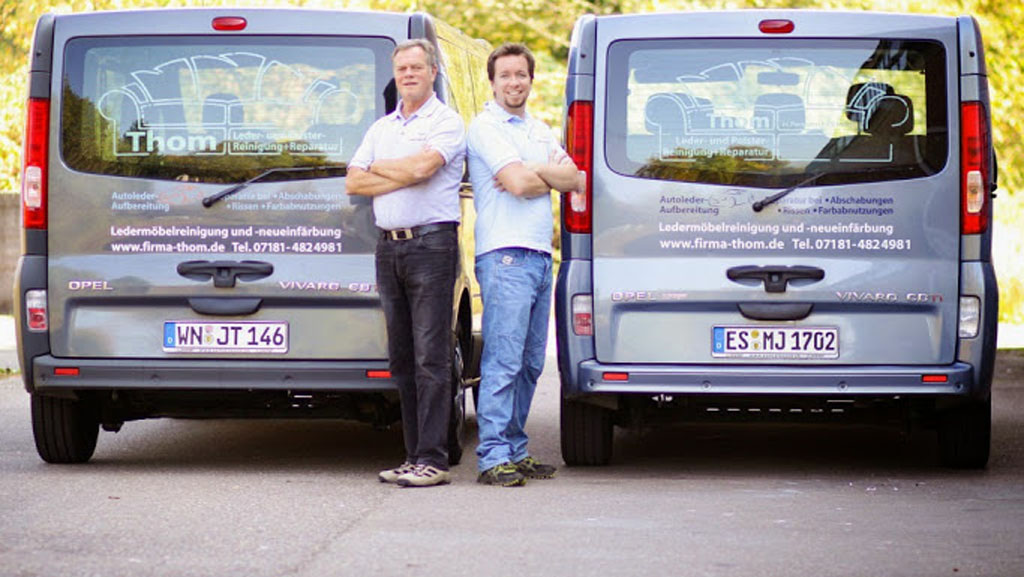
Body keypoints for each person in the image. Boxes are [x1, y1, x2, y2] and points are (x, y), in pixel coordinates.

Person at [346, 39, 466, 488]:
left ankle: (433, 459)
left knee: (431, 357)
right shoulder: (382, 128)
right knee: (401, 358)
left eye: (417, 67)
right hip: (389, 248)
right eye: (402, 69)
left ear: (432, 72)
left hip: (432, 247)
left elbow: (423, 171)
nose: (409, 75)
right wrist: (402, 169)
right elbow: (353, 182)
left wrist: (386, 171)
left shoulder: (448, 122)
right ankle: (413, 455)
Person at [467, 43, 579, 486]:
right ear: (492, 82)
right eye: (505, 75)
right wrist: (539, 176)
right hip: (505, 255)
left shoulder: (539, 128)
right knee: (504, 360)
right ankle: (493, 457)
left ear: (531, 79)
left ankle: (515, 448)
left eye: (521, 74)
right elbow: (515, 184)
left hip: (537, 256)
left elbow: (575, 180)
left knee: (532, 362)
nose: (514, 82)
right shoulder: (484, 127)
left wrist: (535, 172)